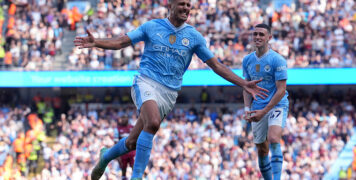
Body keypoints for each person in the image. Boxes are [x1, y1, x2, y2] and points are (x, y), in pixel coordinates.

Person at [74, 0, 268, 179]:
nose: (186, 8)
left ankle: (105, 157)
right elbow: (121, 42)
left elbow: (216, 65)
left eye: (188, 5)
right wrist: (96, 42)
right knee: (153, 122)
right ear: (171, 5)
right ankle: (136, 177)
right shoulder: (152, 26)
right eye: (182, 4)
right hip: (146, 82)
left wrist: (243, 83)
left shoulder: (194, 37)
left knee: (133, 142)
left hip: (169, 93)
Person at [243, 23, 289, 180]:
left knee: (274, 138)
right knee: (262, 150)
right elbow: (246, 87)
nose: (257, 37)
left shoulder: (278, 60)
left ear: (269, 37)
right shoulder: (247, 60)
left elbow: (281, 90)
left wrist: (264, 111)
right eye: (255, 34)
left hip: (277, 104)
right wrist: (246, 109)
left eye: (261, 34)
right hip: (258, 107)